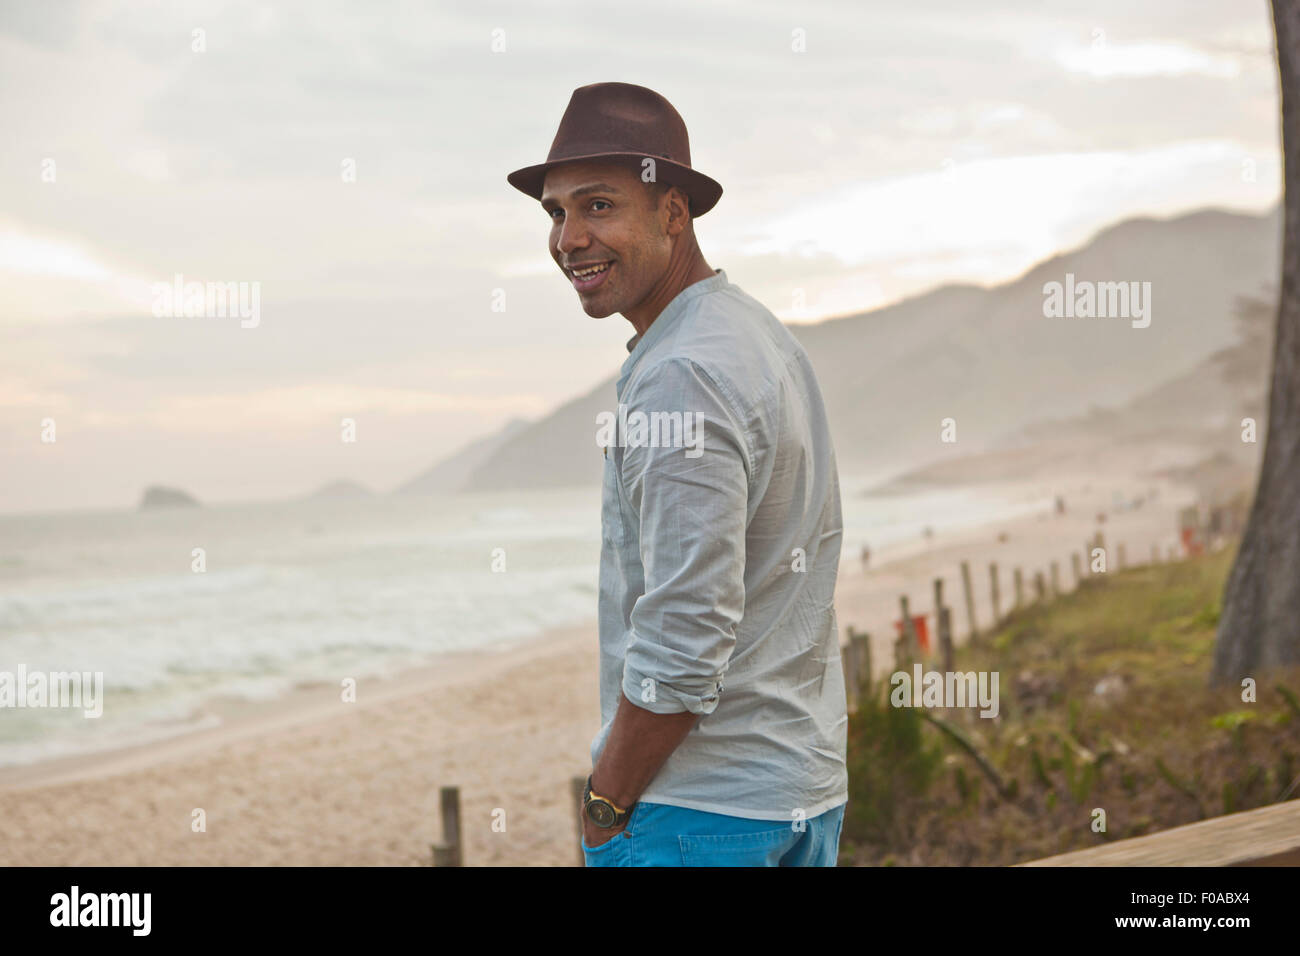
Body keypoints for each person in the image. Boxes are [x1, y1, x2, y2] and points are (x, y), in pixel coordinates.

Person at [507, 82, 847, 866]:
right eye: (556, 213)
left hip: (701, 814)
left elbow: (686, 628)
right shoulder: (755, 335)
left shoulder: (682, 373)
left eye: (598, 206)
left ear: (673, 212)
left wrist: (605, 802)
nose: (568, 239)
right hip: (800, 792)